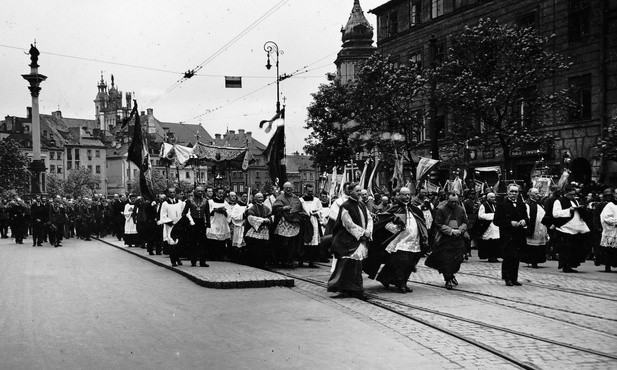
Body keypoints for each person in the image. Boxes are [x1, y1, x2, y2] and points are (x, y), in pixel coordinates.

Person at [375, 187, 429, 293]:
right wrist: (395, 227)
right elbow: (385, 222)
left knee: (410, 263)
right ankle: (400, 284)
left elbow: (421, 223)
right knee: (401, 262)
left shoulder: (415, 209)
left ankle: (403, 281)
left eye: (409, 194)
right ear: (399, 195)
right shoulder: (395, 209)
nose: (407, 197)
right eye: (404, 194)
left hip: (414, 241)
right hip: (401, 242)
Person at [327, 183, 373, 300]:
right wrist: (362, 233)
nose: (359, 193)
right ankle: (356, 290)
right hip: (348, 240)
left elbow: (369, 218)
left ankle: (352, 289)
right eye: (357, 191)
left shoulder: (362, 205)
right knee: (352, 264)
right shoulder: (345, 206)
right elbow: (348, 223)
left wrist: (368, 231)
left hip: (360, 239)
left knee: (357, 265)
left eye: (360, 191)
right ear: (350, 191)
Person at [424, 192, 468, 290]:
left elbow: (465, 222)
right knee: (446, 260)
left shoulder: (460, 209)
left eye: (455, 202)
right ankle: (448, 279)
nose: (453, 204)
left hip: (458, 237)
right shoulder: (441, 209)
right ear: (447, 200)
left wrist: (460, 230)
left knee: (458, 259)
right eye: (451, 202)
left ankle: (451, 275)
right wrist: (451, 231)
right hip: (445, 238)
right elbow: (438, 224)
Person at [494, 184, 529, 286]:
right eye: (512, 191)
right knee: (509, 256)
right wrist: (510, 223)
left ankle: (514, 278)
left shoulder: (521, 204)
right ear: (508, 192)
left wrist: (524, 221)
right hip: (507, 235)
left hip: (519, 234)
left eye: (516, 192)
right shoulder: (502, 204)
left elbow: (526, 218)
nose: (514, 194)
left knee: (516, 257)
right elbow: (496, 221)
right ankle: (507, 277)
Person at [552, 184, 590, 273]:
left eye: (574, 194)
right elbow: (556, 214)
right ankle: (565, 265)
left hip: (576, 228)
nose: (573, 196)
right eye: (571, 194)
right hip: (565, 227)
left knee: (574, 248)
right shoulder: (558, 201)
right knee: (566, 248)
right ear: (565, 193)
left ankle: (571, 264)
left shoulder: (575, 201)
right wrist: (569, 210)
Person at [271, 182, 307, 268]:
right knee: (283, 243)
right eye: (286, 187)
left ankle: (290, 261)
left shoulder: (296, 198)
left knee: (293, 244)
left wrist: (304, 215)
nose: (288, 189)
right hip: (283, 224)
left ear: (292, 188)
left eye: (290, 188)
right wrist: (283, 208)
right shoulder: (279, 198)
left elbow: (300, 208)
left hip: (294, 224)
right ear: (283, 188)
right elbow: (274, 209)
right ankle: (282, 261)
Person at [183, 186, 211, 267]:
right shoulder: (189, 201)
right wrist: (189, 221)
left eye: (201, 191)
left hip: (201, 222)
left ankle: (202, 261)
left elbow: (207, 213)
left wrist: (208, 223)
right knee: (193, 242)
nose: (200, 193)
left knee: (202, 242)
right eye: (198, 191)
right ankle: (193, 260)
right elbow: (184, 213)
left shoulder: (206, 201)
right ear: (194, 192)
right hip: (193, 222)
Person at [522, 188, 549, 268]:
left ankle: (537, 260)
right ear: (531, 195)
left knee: (539, 245)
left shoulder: (539, 203)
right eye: (536, 194)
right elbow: (527, 216)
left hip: (540, 227)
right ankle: (532, 261)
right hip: (533, 227)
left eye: (538, 193)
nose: (538, 195)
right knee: (532, 244)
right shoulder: (527, 204)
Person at [244, 193, 272, 268]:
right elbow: (250, 218)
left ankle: (262, 263)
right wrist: (262, 220)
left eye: (261, 197)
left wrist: (268, 220)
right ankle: (254, 263)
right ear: (255, 199)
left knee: (263, 248)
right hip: (255, 231)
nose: (260, 199)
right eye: (258, 197)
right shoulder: (252, 208)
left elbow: (270, 217)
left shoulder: (266, 208)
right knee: (255, 248)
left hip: (264, 231)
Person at [159, 188, 185, 266]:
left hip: (179, 225)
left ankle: (178, 258)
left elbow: (184, 213)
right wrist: (170, 222)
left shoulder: (180, 203)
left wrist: (181, 222)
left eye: (174, 192)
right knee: (172, 243)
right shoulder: (165, 204)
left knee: (178, 243)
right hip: (170, 225)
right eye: (170, 192)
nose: (172, 194)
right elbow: (163, 215)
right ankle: (173, 260)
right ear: (168, 194)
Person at [299, 184, 322, 268]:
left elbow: (321, 210)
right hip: (304, 222)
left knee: (314, 240)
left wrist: (317, 213)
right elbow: (298, 210)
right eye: (308, 191)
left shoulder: (316, 200)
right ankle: (301, 260)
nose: (310, 193)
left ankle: (312, 261)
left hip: (314, 221)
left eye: (311, 192)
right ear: (305, 191)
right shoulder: (300, 200)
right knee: (304, 240)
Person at [207, 187, 231, 261]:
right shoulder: (210, 202)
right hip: (213, 221)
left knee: (221, 241)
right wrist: (215, 210)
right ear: (216, 193)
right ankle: (212, 256)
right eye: (219, 193)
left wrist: (224, 212)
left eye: (222, 193)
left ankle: (220, 256)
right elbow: (207, 212)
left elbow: (229, 214)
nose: (221, 194)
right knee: (213, 240)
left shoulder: (225, 203)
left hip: (222, 222)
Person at [593, 188, 614, 270]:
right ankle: (605, 264)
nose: (609, 197)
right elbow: (596, 217)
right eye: (607, 196)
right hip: (603, 229)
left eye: (610, 196)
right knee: (603, 247)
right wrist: (597, 227)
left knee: (612, 248)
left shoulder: (614, 205)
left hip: (612, 229)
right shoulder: (600, 205)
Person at [477, 192, 500, 263]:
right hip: (488, 225)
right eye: (491, 197)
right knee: (489, 242)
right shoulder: (483, 205)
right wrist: (492, 216)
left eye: (494, 197)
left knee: (496, 241)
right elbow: (480, 215)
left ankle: (495, 256)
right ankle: (490, 256)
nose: (493, 199)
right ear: (488, 198)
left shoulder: (496, 205)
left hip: (495, 226)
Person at [598, 188, 617, 272]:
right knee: (609, 250)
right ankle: (607, 266)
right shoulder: (610, 205)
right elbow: (605, 217)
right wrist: (615, 222)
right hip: (611, 230)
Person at [230, 192, 249, 262]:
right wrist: (243, 215)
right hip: (239, 227)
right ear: (241, 197)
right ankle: (237, 259)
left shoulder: (249, 206)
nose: (245, 198)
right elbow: (234, 216)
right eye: (243, 196)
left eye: (246, 196)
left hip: (247, 227)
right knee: (238, 242)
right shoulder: (236, 206)